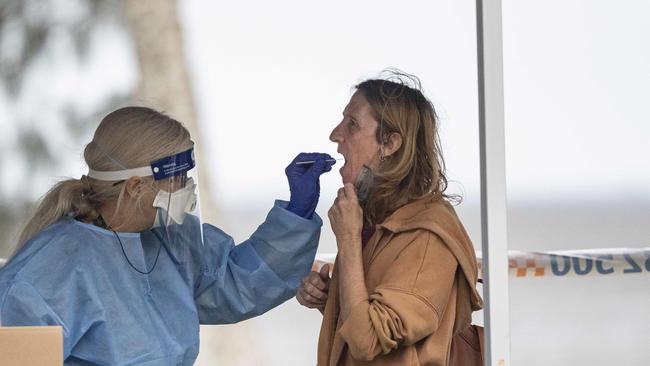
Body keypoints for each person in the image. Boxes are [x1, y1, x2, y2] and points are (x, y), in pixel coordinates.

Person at [0, 106, 335, 365]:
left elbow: (235, 282)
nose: (185, 188)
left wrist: (296, 214)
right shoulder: (51, 269)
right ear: (135, 187)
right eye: (176, 178)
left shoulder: (166, 240)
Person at [297, 72, 483, 365]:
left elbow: (367, 340)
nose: (336, 134)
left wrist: (347, 239)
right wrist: (330, 299)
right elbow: (371, 317)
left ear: (390, 144)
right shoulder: (376, 219)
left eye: (353, 124)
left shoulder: (428, 236)